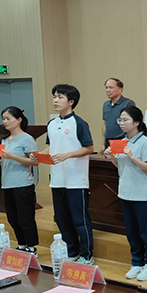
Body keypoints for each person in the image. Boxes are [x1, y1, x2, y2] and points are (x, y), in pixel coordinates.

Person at [103, 105, 147, 282]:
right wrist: (111, 158)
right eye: (120, 119)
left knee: (145, 232)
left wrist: (132, 156)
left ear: (136, 122)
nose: (122, 123)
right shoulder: (121, 141)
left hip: (142, 194)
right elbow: (121, 167)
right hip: (125, 192)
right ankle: (137, 262)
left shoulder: (144, 142)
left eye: (125, 119)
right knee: (131, 231)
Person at [46, 84, 95, 265]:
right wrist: (37, 156)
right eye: (54, 97)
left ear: (71, 101)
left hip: (76, 179)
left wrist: (68, 155)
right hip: (57, 179)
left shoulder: (79, 123)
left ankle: (87, 254)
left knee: (79, 219)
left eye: (60, 97)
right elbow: (50, 147)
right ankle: (72, 250)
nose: (55, 100)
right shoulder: (52, 124)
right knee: (62, 218)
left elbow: (89, 148)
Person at [0, 107, 39, 256]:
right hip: (7, 184)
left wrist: (13, 156)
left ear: (19, 120)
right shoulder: (4, 140)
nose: (5, 122)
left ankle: (32, 248)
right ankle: (22, 245)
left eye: (8, 118)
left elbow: (34, 162)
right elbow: (6, 162)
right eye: (3, 119)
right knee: (13, 218)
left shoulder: (27, 139)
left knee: (25, 218)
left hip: (23, 184)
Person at [102, 78, 135, 150]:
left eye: (111, 88)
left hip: (122, 140)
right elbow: (105, 124)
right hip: (108, 141)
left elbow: (132, 124)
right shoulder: (106, 105)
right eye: (106, 88)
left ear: (120, 89)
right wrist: (103, 144)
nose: (108, 90)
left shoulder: (128, 103)